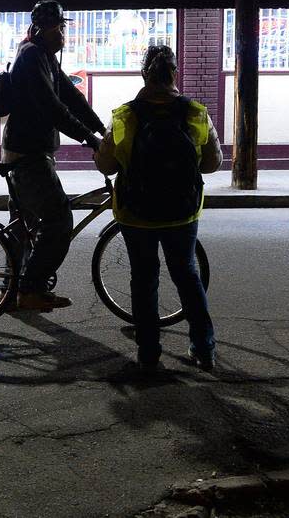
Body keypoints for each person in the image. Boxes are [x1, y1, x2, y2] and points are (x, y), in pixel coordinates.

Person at [94, 44, 222, 371]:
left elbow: (106, 166)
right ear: (175, 74)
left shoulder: (124, 116)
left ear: (143, 75)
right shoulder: (195, 113)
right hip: (182, 212)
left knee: (144, 278)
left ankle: (149, 354)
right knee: (187, 275)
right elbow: (212, 164)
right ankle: (203, 348)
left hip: (136, 213)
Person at [2, 0, 106, 312]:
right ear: (45, 29)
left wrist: (101, 129)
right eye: (60, 27)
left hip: (28, 150)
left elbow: (71, 96)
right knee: (59, 220)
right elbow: (53, 108)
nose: (64, 34)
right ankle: (30, 289)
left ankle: (12, 292)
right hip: (28, 154)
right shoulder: (32, 56)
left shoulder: (43, 56)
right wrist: (90, 139)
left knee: (25, 227)